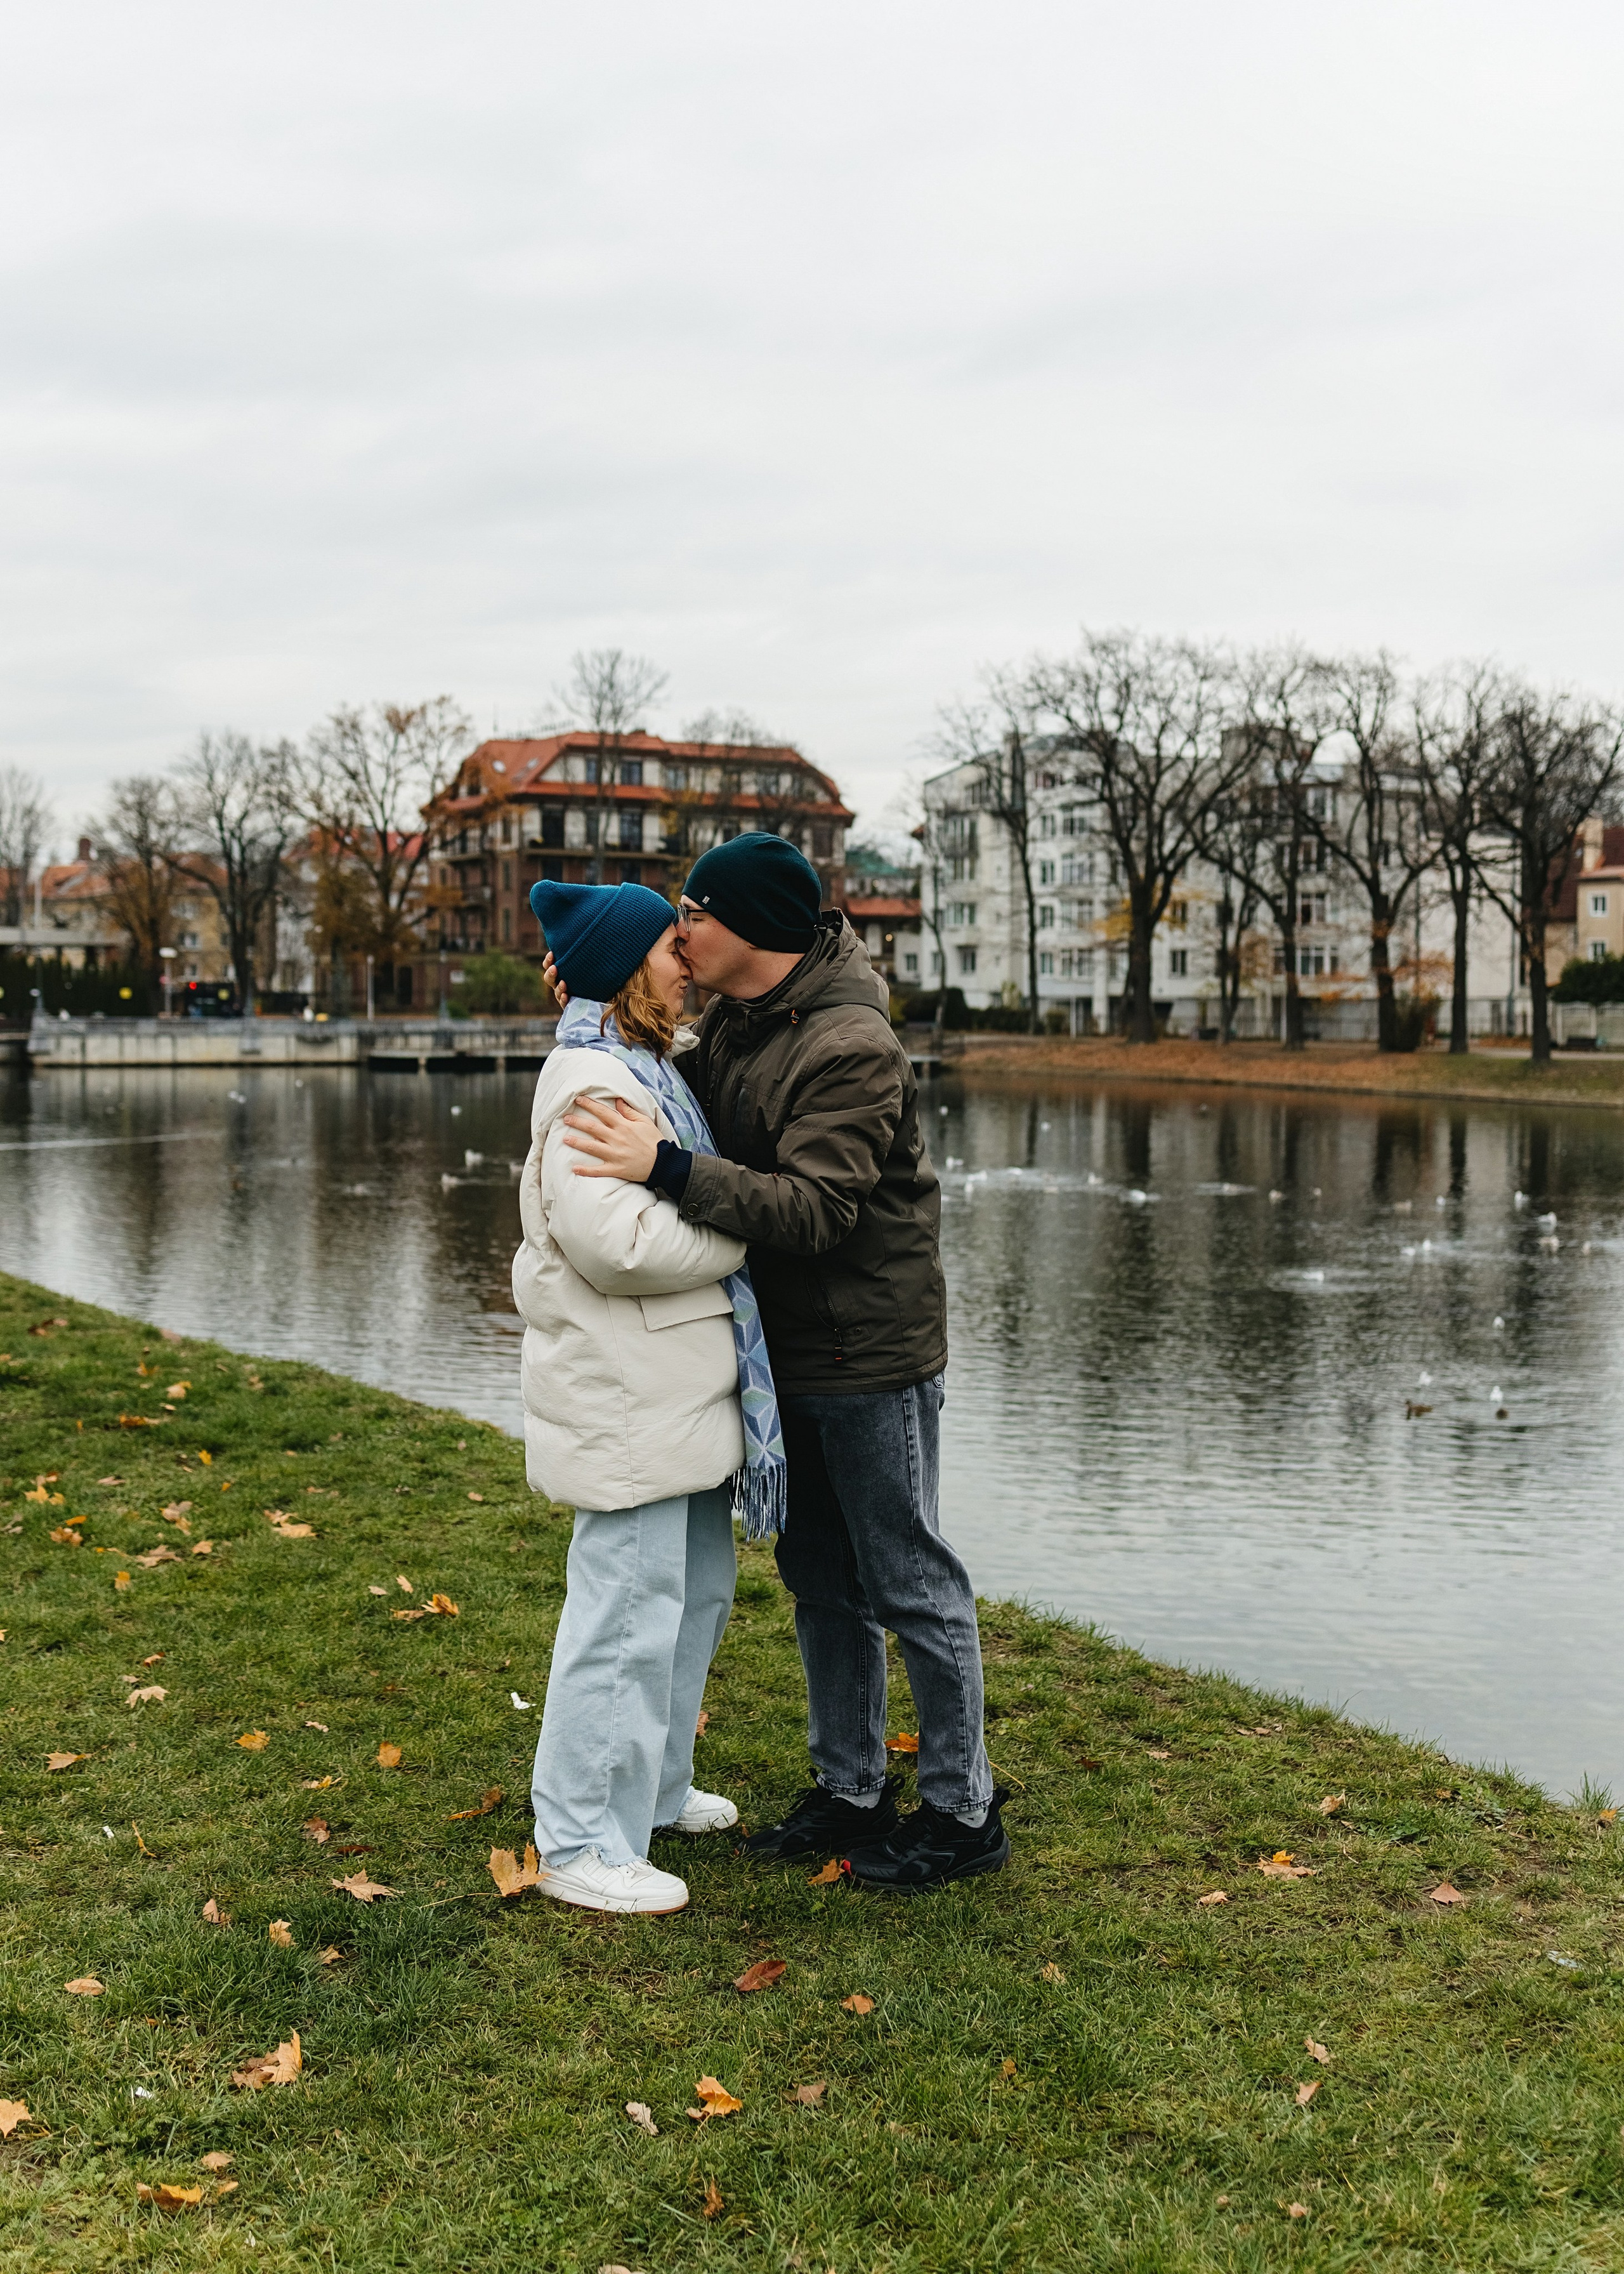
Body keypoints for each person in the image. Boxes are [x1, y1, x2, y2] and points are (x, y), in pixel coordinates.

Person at [558, 832, 1006, 1890]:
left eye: (694, 914)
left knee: (909, 1580)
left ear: (750, 927)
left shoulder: (850, 1044)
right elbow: (657, 1071)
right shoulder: (741, 1022)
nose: (681, 933)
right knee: (820, 1581)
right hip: (787, 1353)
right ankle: (851, 1790)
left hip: (870, 1354)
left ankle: (962, 1812)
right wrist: (589, 996)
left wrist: (668, 1169)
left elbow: (814, 1210)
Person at [513, 876, 786, 1916]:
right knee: (623, 1617)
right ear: (633, 967)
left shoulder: (645, 1065)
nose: (688, 962)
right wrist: (739, 1230)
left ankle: (655, 1791)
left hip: (675, 1396)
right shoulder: (595, 1083)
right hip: (629, 1397)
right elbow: (615, 1243)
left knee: (690, 1603)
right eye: (672, 948)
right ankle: (581, 1839)